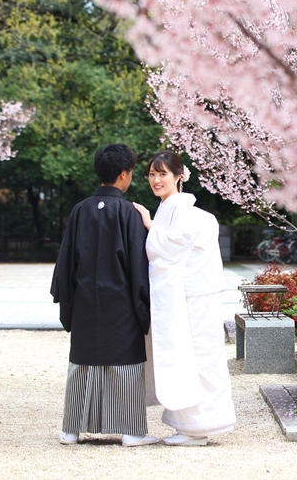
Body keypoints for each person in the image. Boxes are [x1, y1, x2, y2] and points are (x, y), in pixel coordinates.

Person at [50, 143, 157, 447]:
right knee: (126, 364)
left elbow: (66, 262)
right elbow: (139, 264)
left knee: (82, 361)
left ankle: (71, 429)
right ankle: (132, 431)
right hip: (121, 303)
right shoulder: (130, 212)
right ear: (124, 174)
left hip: (84, 300)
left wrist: (68, 300)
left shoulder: (80, 209)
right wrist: (143, 306)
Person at [133, 150, 236, 446]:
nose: (156, 180)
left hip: (194, 297)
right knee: (184, 357)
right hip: (185, 296)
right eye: (152, 174)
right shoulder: (171, 208)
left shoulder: (186, 211)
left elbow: (171, 245)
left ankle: (200, 427)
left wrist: (152, 228)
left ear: (179, 176)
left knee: (199, 358)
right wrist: (154, 225)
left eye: (163, 174)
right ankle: (188, 425)